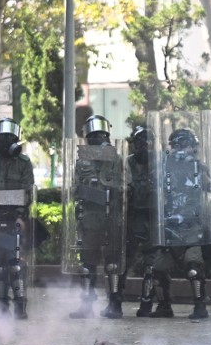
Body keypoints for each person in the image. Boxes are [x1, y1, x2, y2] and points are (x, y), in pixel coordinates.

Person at [68, 115, 127, 319]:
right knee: (87, 263)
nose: (98, 139)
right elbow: (76, 188)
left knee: (112, 263)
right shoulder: (82, 161)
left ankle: (114, 303)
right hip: (91, 218)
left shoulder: (116, 160)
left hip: (111, 217)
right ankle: (86, 304)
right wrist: (91, 191)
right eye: (94, 136)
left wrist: (105, 191)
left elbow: (122, 187)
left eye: (101, 135)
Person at [151, 127, 211, 320]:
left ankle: (200, 306)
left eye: (184, 145)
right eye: (176, 145)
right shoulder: (163, 167)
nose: (180, 149)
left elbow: (210, 186)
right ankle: (164, 306)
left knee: (194, 266)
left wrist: (197, 170)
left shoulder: (198, 167)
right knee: (158, 269)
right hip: (169, 228)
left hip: (191, 227)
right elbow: (153, 187)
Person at [0, 118, 35, 318]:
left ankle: (20, 304)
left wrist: (20, 216)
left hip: (15, 220)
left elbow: (27, 191)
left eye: (11, 137)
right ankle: (1, 305)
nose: (7, 140)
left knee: (16, 264)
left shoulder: (24, 163)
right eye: (3, 137)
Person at [125, 125, 161, 317]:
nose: (142, 146)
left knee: (151, 264)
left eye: (146, 142)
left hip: (151, 218)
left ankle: (147, 303)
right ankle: (115, 302)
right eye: (138, 142)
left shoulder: (159, 164)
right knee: (121, 262)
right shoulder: (127, 163)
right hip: (132, 218)